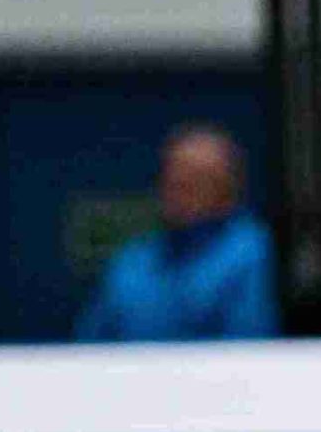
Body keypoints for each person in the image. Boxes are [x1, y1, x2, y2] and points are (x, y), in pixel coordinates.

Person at [74, 124, 276, 343]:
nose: (177, 186)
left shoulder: (246, 249)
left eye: (196, 179)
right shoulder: (132, 260)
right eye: (172, 174)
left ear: (227, 191)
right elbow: (90, 344)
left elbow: (246, 346)